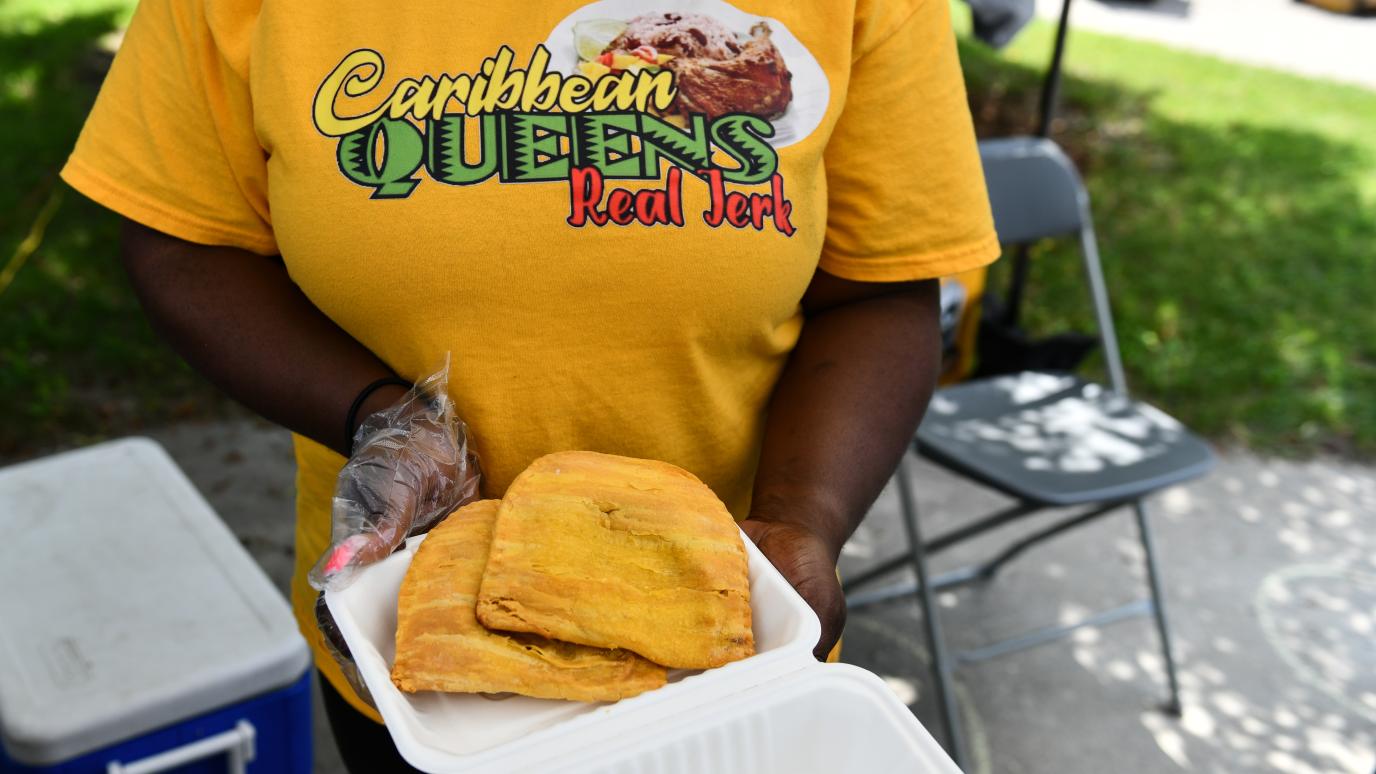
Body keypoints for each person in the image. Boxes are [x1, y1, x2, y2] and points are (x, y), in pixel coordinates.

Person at [62, 0, 998, 769]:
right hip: (418, 642)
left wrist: (803, 522)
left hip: (727, 648)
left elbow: (881, 287)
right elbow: (183, 235)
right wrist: (379, 416)